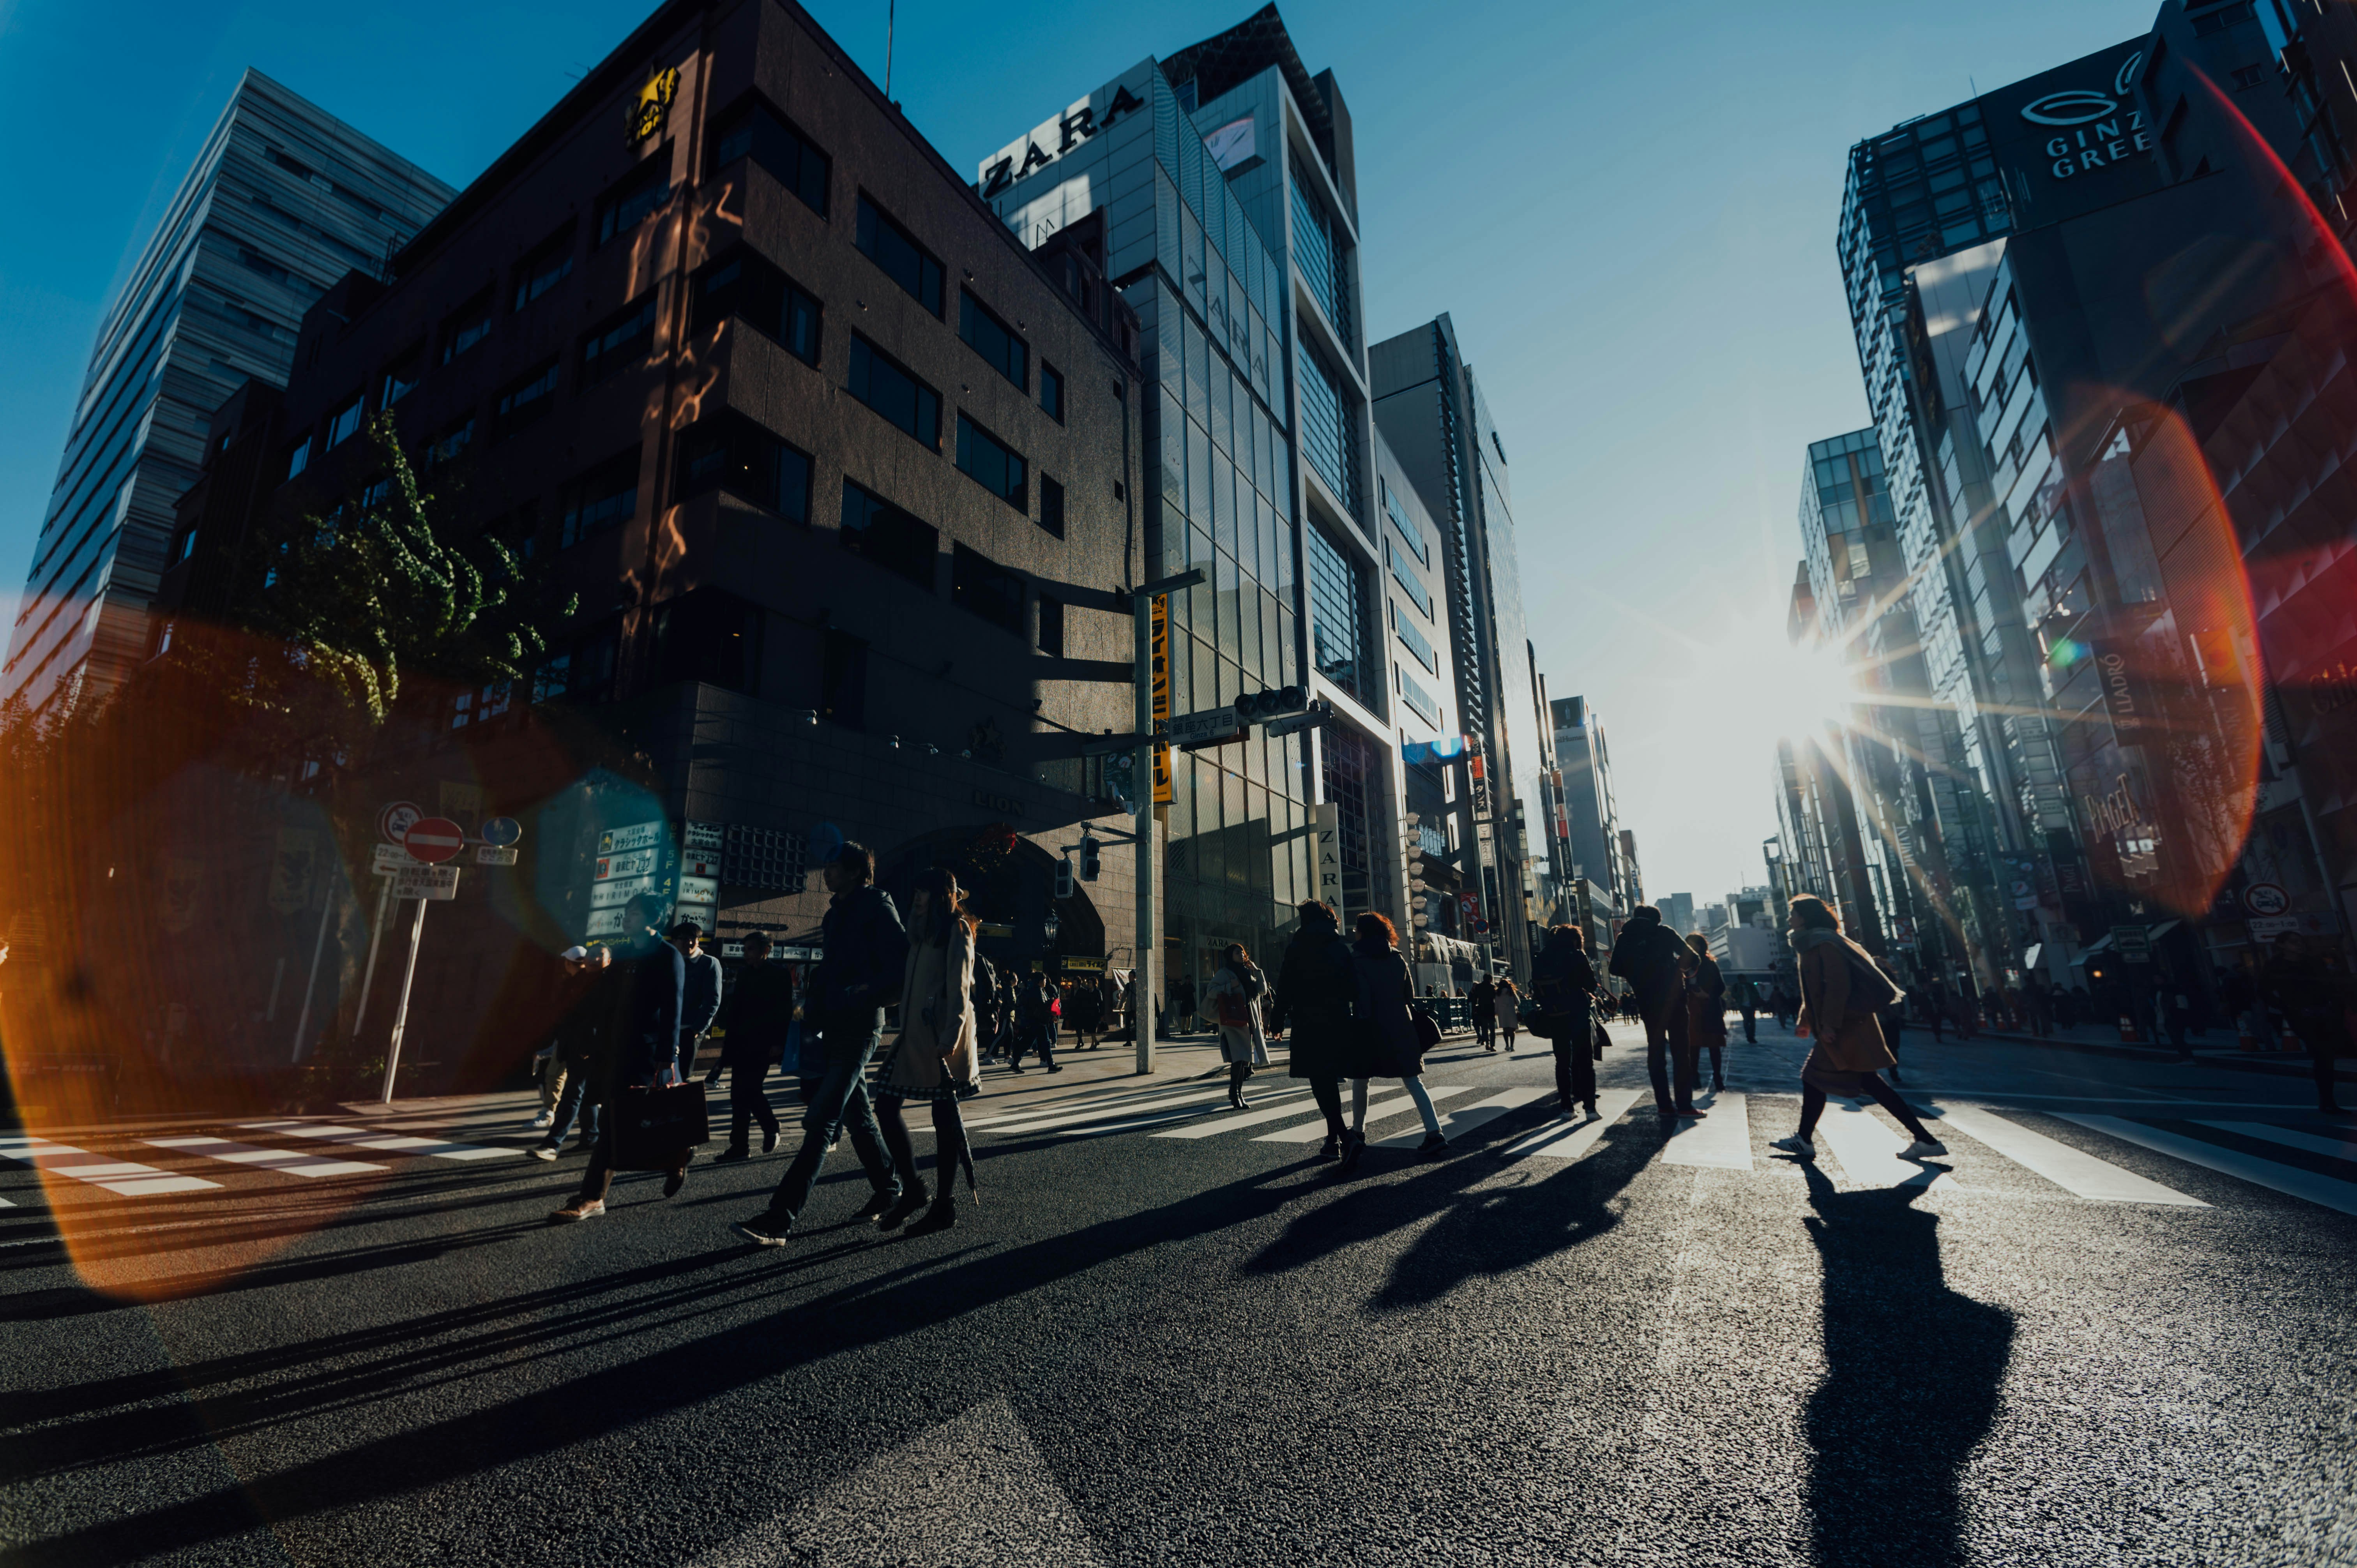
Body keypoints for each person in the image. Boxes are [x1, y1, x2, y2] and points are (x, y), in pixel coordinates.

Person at [734, 843, 908, 1246]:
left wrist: (865, 991)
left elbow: (901, 962)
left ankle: (780, 1217)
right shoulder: (834, 914)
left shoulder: (878, 906)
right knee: (858, 1116)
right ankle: (890, 1188)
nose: (826, 872)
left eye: (833, 866)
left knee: (823, 1118)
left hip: (862, 1024)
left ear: (854, 871)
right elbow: (831, 968)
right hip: (833, 1023)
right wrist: (814, 1002)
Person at [1769, 895, 1946, 1162]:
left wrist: (1829, 1024)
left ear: (1804, 917)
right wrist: (1806, 1021)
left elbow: (1837, 987)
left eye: (1792, 914)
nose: (1789, 919)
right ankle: (1926, 1140)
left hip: (1848, 1027)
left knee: (1815, 1078)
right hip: (1844, 1027)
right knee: (1869, 1084)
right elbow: (1814, 991)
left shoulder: (1824, 943)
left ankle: (1804, 1140)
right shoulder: (1811, 944)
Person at [550, 896, 691, 1221]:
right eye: (626, 912)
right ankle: (677, 1156)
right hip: (613, 1048)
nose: (627, 918)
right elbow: (603, 1000)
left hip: (646, 1052)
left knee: (618, 1121)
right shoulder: (623, 951)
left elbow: (673, 1006)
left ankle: (592, 1197)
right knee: (621, 1121)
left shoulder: (668, 955)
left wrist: (667, 1055)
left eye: (635, 913)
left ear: (653, 919)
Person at [871, 867, 983, 1234]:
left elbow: (961, 988)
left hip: (941, 1038)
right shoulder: (921, 934)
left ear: (939, 896)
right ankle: (915, 1189)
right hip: (915, 1036)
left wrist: (951, 1036)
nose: (916, 898)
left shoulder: (957, 929)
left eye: (922, 892)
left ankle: (943, 1205)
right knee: (886, 1104)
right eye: (916, 891)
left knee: (944, 1118)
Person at [1343, 912, 1448, 1165]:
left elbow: (1356, 995)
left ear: (1363, 932)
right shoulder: (1396, 957)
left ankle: (1358, 1131)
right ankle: (1435, 1133)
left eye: (1357, 929)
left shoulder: (1356, 959)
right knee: (1413, 1081)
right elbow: (1409, 995)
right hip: (1401, 1025)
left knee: (1361, 1079)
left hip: (1369, 1027)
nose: (1355, 932)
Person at [1274, 901, 1361, 1158]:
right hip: (1338, 1019)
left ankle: (1344, 1136)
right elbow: (1354, 990)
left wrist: (1277, 1020)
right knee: (1329, 1077)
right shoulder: (1339, 948)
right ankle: (1332, 1140)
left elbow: (1285, 986)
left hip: (1308, 1021)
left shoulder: (1297, 948)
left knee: (1320, 1080)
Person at [1610, 904, 1702, 1122]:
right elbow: (1694, 958)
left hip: (1646, 999)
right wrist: (1676, 967)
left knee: (1656, 1050)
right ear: (1657, 920)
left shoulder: (1625, 937)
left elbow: (1614, 969)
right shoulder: (1665, 932)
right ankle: (1685, 1105)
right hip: (1674, 998)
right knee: (1681, 1052)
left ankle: (1664, 1106)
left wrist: (1636, 974)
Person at [710, 931, 789, 1162]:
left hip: (764, 1044)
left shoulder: (779, 974)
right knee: (738, 1095)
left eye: (751, 949)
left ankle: (771, 1126)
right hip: (740, 1041)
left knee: (751, 1090)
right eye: (745, 950)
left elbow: (784, 1011)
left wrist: (778, 1043)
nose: (746, 955)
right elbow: (736, 1007)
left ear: (766, 950)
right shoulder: (744, 974)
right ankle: (740, 1147)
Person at [530, 945, 613, 1160]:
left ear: (609, 961)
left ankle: (552, 1144)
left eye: (600, 956)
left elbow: (603, 1019)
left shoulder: (609, 984)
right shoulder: (578, 981)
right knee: (585, 1096)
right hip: (573, 1045)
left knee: (573, 1094)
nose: (594, 959)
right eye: (591, 956)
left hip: (592, 1048)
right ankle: (590, 1138)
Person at [2263, 934, 2350, 1114]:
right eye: (2294, 942)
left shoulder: (2314, 962)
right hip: (2300, 1014)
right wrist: (2285, 1007)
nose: (2299, 945)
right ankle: (2327, 1101)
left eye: (2301, 941)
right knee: (2322, 1053)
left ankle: (2328, 1101)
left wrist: (2335, 1005)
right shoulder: (2275, 966)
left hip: (2325, 1012)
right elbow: (2264, 991)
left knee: (2326, 1056)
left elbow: (2330, 985)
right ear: (2282, 945)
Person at [1532, 924, 1599, 1117]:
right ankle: (1590, 1107)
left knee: (1562, 1062)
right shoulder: (1576, 955)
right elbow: (1591, 985)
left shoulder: (1542, 956)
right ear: (1575, 939)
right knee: (1585, 1061)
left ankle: (1567, 1107)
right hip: (1577, 1012)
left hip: (1554, 1013)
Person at [1204, 943, 1272, 1109]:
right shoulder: (1224, 973)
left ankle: (1238, 1093)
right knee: (1239, 1059)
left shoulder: (1248, 972)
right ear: (1230, 956)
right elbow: (1211, 991)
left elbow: (1263, 991)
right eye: (1237, 952)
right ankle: (1235, 1094)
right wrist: (1229, 987)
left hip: (1249, 1020)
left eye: (1242, 952)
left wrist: (1257, 970)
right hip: (1233, 1021)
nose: (1242, 955)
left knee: (1244, 1061)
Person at [674, 920, 723, 1083]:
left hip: (690, 1029)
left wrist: (697, 1029)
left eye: (692, 938)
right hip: (668, 1027)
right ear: (675, 941)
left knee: (683, 1076)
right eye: (682, 938)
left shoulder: (709, 963)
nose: (688, 942)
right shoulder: (672, 961)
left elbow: (713, 1001)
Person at [1683, 932, 1728, 1093]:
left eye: (1696, 945)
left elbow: (1721, 986)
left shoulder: (1709, 964)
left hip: (1710, 1008)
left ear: (1702, 947)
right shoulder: (1683, 964)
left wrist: (1707, 994)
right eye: (1690, 945)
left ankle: (1718, 1079)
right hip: (1691, 1008)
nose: (1693, 948)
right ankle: (1694, 1077)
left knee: (1714, 1046)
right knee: (1693, 1047)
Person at [1068, 973, 1105, 1050]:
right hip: (1089, 1013)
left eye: (1090, 983)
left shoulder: (1098, 992)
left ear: (1094, 984)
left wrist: (1102, 1015)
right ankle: (1096, 1041)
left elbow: (1101, 1004)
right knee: (1091, 1030)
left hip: (1096, 1013)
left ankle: (1093, 1044)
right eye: (1088, 983)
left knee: (1093, 1029)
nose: (1089, 984)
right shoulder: (1088, 992)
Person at [1469, 973, 1497, 1051]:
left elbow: (1475, 998)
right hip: (1491, 1009)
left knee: (1484, 1028)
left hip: (1482, 1009)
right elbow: (1496, 999)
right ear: (1491, 979)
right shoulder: (1493, 987)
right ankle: (1492, 1046)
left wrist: (1475, 1009)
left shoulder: (1479, 987)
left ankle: (1487, 1044)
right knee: (1492, 1029)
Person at [1493, 975, 1521, 1052]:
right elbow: (1518, 1002)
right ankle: (1512, 1046)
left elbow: (1497, 1004)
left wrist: (1496, 1012)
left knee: (1505, 1029)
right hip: (1511, 1012)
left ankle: (1507, 1045)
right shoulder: (1511, 992)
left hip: (1502, 1013)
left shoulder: (1498, 993)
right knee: (1512, 1030)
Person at [1732, 975, 1760, 1044]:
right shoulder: (1736, 986)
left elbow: (1757, 994)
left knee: (1753, 1022)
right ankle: (1749, 1036)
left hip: (1751, 1005)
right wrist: (1739, 992)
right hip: (1743, 1006)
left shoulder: (1750, 986)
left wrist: (1754, 999)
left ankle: (1752, 1036)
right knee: (1746, 1021)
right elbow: (1734, 995)